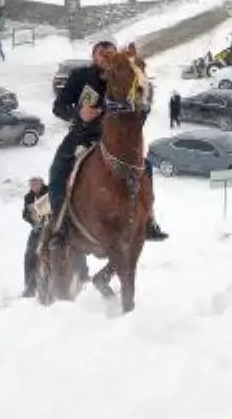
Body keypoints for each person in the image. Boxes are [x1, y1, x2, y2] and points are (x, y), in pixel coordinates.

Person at [46, 40, 168, 244]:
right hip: (83, 134)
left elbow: (141, 102)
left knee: (145, 167)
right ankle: (62, 225)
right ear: (93, 57)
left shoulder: (125, 76)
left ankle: (149, 220)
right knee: (59, 170)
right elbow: (58, 107)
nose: (106, 57)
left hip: (118, 138)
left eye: (111, 53)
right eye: (102, 53)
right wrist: (79, 113)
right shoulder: (80, 76)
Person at [22, 176, 48, 297]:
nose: (34, 185)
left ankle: (82, 274)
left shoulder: (49, 192)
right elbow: (25, 214)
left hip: (51, 225)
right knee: (30, 254)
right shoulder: (28, 197)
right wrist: (33, 222)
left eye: (36, 182)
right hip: (37, 228)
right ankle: (30, 286)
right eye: (31, 183)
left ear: (41, 183)